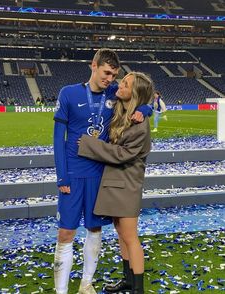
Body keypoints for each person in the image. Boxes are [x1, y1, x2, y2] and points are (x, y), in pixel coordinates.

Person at [53, 49, 152, 294]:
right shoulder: (68, 93)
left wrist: (146, 109)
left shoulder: (114, 92)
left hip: (101, 174)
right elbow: (58, 139)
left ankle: (86, 284)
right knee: (66, 232)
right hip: (74, 173)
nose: (110, 79)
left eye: (115, 75)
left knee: (94, 229)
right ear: (93, 65)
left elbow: (143, 95)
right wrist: (62, 176)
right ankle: (61, 290)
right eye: (106, 73)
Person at [78, 71, 154, 294]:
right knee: (122, 235)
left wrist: (87, 144)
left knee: (131, 237)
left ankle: (137, 288)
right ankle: (128, 280)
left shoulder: (140, 124)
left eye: (126, 84)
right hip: (116, 183)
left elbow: (122, 154)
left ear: (135, 93)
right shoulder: (124, 111)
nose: (120, 85)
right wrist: (145, 106)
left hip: (127, 185)